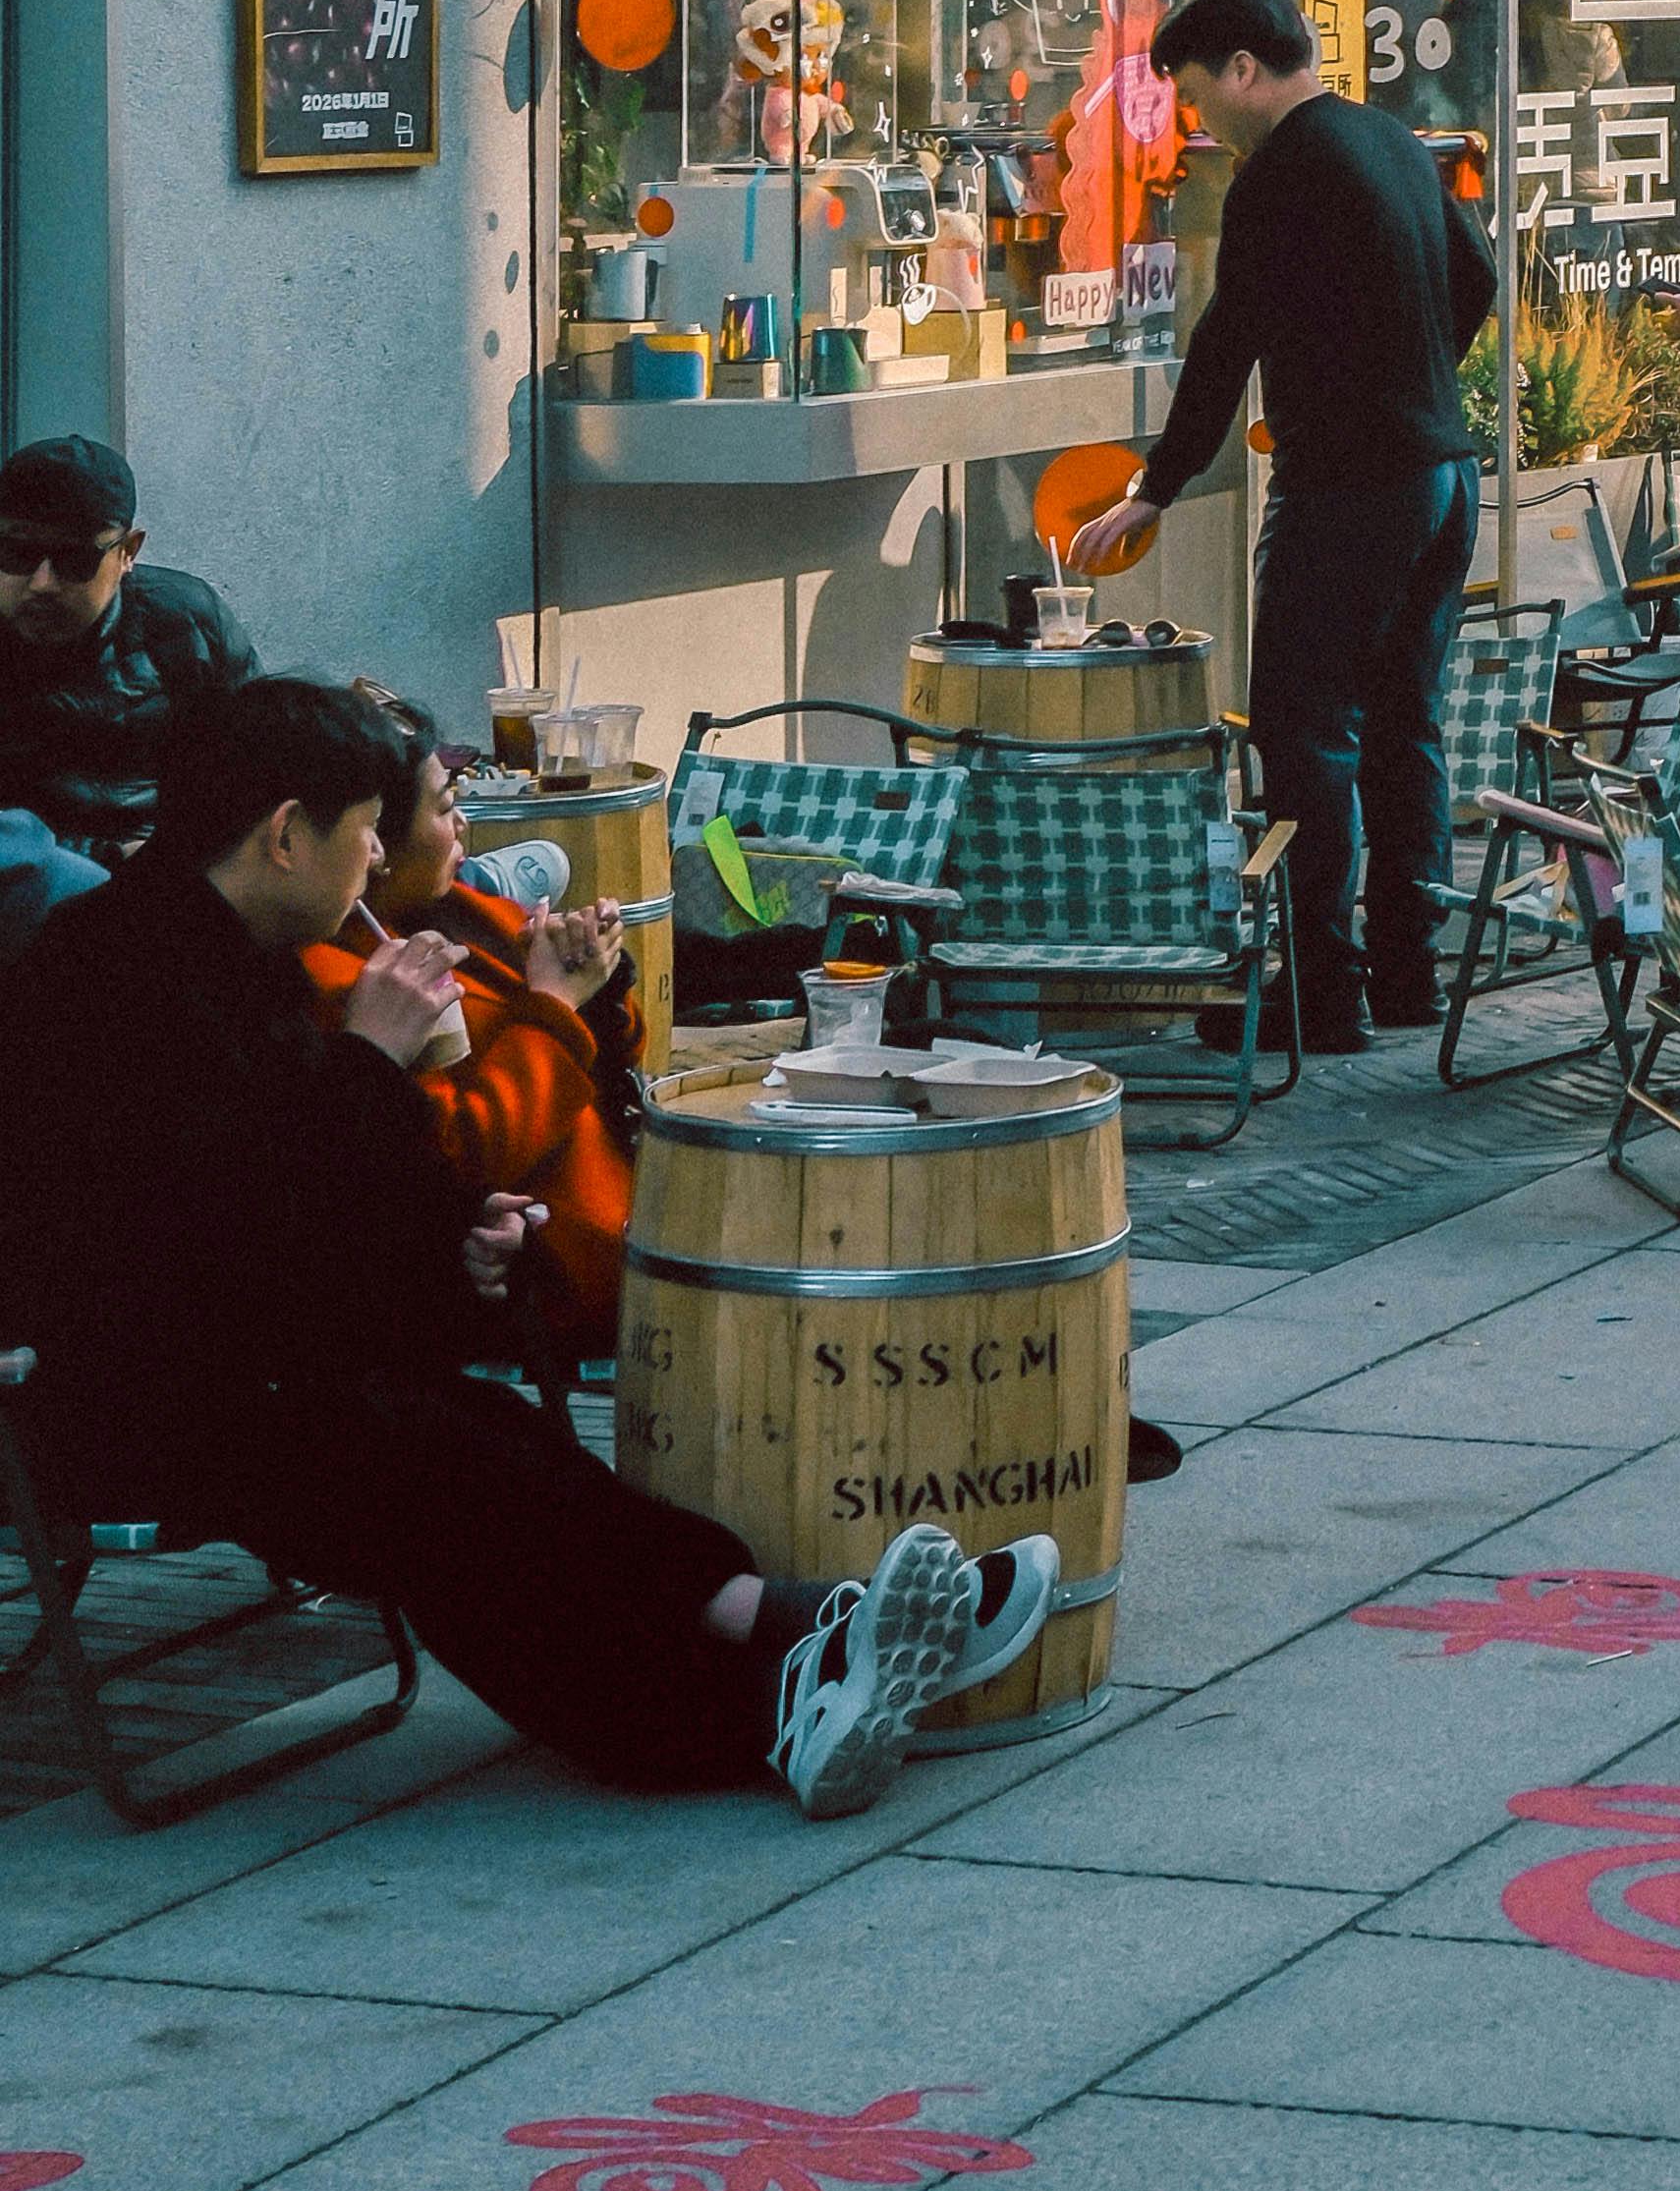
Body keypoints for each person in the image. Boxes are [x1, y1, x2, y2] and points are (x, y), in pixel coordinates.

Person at [0, 677, 1049, 1805]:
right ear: (289, 834)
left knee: (468, 1451)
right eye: (365, 837)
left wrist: (452, 1245)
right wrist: (370, 1063)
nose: (373, 869)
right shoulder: (109, 977)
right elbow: (205, 1235)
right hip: (104, 1400)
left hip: (242, 1367)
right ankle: (780, 1660)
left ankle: (787, 1664)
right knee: (437, 1474)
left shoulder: (229, 950)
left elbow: (301, 1221)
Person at [1065, 0, 1493, 1054]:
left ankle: (1319, 995)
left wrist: (1152, 487)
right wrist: (1418, 373)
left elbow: (1223, 346)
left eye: (1200, 94)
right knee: (1408, 729)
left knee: (1307, 734)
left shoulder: (1280, 175)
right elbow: (1478, 272)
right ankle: (1407, 976)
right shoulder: (1394, 141)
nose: (1199, 120)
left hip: (1351, 489)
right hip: (1445, 478)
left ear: (1245, 70)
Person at [299, 700, 645, 1355]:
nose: (463, 823)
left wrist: (598, 977)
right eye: (443, 806)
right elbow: (463, 1152)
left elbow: (611, 1064)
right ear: (378, 844)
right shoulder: (346, 978)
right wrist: (554, 1003)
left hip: (625, 1228)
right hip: (550, 1286)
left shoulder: (461, 907)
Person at [0, 430, 252, 959]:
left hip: (175, 892)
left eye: (73, 559)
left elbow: (259, 769)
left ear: (128, 552)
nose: (41, 582)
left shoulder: (186, 625)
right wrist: (113, 858)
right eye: (16, 552)